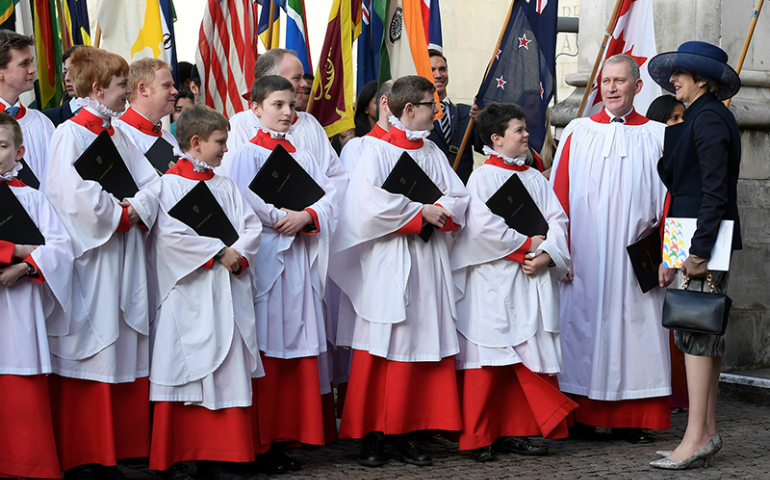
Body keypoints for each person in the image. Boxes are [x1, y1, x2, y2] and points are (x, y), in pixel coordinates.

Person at [330, 75, 469, 467]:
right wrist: (418, 212)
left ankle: (411, 433)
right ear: (409, 110)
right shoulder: (371, 150)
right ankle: (373, 436)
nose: (436, 112)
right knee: (383, 345)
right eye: (430, 105)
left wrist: (443, 211)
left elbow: (459, 197)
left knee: (422, 344)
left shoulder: (433, 153)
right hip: (388, 260)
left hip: (427, 261)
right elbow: (364, 207)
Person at [43, 47, 159, 480]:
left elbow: (152, 183)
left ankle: (115, 452)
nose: (126, 96)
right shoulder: (69, 134)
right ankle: (85, 454)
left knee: (119, 346)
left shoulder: (118, 134)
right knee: (91, 348)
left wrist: (135, 208)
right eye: (119, 89)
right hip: (92, 260)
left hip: (122, 254)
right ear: (97, 89)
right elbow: (69, 195)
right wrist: (120, 212)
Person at [549, 54, 670, 444]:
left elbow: (675, 199)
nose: (612, 88)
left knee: (638, 333)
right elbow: (558, 199)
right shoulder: (577, 131)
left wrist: (672, 255)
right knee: (582, 330)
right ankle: (583, 417)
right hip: (586, 254)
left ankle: (634, 418)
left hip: (638, 257)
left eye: (620, 81)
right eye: (606, 82)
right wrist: (558, 251)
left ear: (638, 86)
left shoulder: (659, 135)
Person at [452, 103, 577, 462]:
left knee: (527, 356)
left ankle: (518, 431)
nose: (526, 135)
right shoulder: (482, 178)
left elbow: (558, 220)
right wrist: (526, 245)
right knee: (490, 360)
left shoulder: (535, 177)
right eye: (519, 130)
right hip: (494, 281)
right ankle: (479, 436)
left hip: (531, 278)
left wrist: (547, 255)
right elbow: (481, 228)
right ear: (496, 138)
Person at [228, 75, 339, 474]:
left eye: (291, 105)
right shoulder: (243, 154)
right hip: (266, 263)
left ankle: (282, 436)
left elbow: (331, 199)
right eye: (277, 105)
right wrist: (279, 217)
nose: (288, 112)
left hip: (299, 262)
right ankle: (257, 439)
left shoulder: (305, 156)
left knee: (293, 344)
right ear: (255, 109)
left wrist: (307, 215)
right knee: (265, 346)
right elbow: (237, 197)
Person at [146, 105, 263, 480]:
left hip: (227, 289)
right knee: (186, 370)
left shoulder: (225, 185)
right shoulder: (165, 185)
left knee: (227, 369)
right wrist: (218, 251)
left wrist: (239, 254)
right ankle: (182, 454)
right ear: (195, 143)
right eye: (220, 142)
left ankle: (225, 455)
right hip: (189, 294)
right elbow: (168, 237)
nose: (226, 149)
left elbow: (251, 227)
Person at [648, 41, 742, 470]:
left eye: (680, 74)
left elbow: (713, 193)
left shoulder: (708, 119)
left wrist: (698, 252)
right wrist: (673, 253)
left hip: (702, 242)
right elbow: (684, 191)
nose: (672, 80)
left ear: (701, 79)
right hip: (690, 237)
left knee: (697, 336)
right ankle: (705, 432)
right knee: (700, 335)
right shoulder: (701, 117)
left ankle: (695, 437)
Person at [0, 112, 74, 479]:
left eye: (2, 145)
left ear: (20, 151)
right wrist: (16, 250)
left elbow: (61, 247)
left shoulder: (33, 198)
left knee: (21, 382)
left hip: (20, 301)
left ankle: (28, 464)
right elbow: (26, 246)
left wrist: (25, 267)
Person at [646, 94, 688, 415]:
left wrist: (672, 257)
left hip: (675, 252)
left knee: (679, 323)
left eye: (681, 117)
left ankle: (680, 395)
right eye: (672, 118)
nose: (679, 123)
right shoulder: (644, 157)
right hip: (644, 252)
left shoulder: (686, 156)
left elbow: (678, 205)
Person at [0, 30, 55, 186]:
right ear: (1, 72)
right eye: (24, 64)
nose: (32, 69)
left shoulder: (42, 122)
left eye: (31, 62)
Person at [426, 50, 482, 184]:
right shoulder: (415, 116)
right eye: (431, 70)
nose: (438, 75)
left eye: (442, 69)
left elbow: (484, 147)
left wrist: (483, 121)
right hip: (430, 195)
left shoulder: (467, 113)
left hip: (462, 192)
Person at [114, 58, 180, 164]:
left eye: (172, 85)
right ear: (143, 89)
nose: (175, 91)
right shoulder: (118, 134)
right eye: (166, 86)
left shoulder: (168, 137)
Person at [43, 45, 84, 126]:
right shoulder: (47, 119)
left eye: (75, 72)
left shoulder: (108, 113)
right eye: (65, 72)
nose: (66, 78)